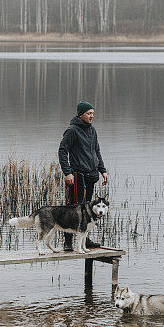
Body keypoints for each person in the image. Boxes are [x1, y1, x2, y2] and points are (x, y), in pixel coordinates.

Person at [58, 100, 108, 250]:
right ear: (81, 115)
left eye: (93, 113)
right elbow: (62, 151)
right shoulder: (72, 131)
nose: (92, 116)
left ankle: (85, 241)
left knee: (87, 210)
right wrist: (67, 172)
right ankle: (67, 242)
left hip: (91, 175)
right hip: (76, 176)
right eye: (89, 113)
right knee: (72, 209)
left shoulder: (92, 130)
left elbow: (96, 151)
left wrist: (103, 170)